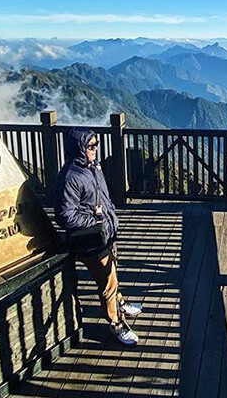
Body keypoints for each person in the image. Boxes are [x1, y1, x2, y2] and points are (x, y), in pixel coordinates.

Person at [53, 128, 142, 345]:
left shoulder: (92, 168)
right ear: (80, 148)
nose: (95, 149)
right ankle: (116, 324)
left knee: (112, 275)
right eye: (90, 146)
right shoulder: (70, 177)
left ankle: (119, 303)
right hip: (90, 240)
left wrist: (108, 218)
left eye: (96, 145)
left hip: (106, 235)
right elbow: (65, 216)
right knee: (107, 283)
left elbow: (103, 197)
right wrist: (95, 222)